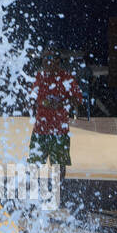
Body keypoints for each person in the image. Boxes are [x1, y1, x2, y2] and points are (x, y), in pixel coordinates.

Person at [28, 52, 83, 205]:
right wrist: (32, 102)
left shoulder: (66, 78)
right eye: (44, 58)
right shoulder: (40, 77)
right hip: (40, 129)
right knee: (34, 163)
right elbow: (31, 97)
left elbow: (78, 101)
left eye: (50, 58)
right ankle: (34, 194)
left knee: (59, 166)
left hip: (59, 130)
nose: (46, 61)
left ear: (58, 61)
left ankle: (56, 193)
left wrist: (64, 101)